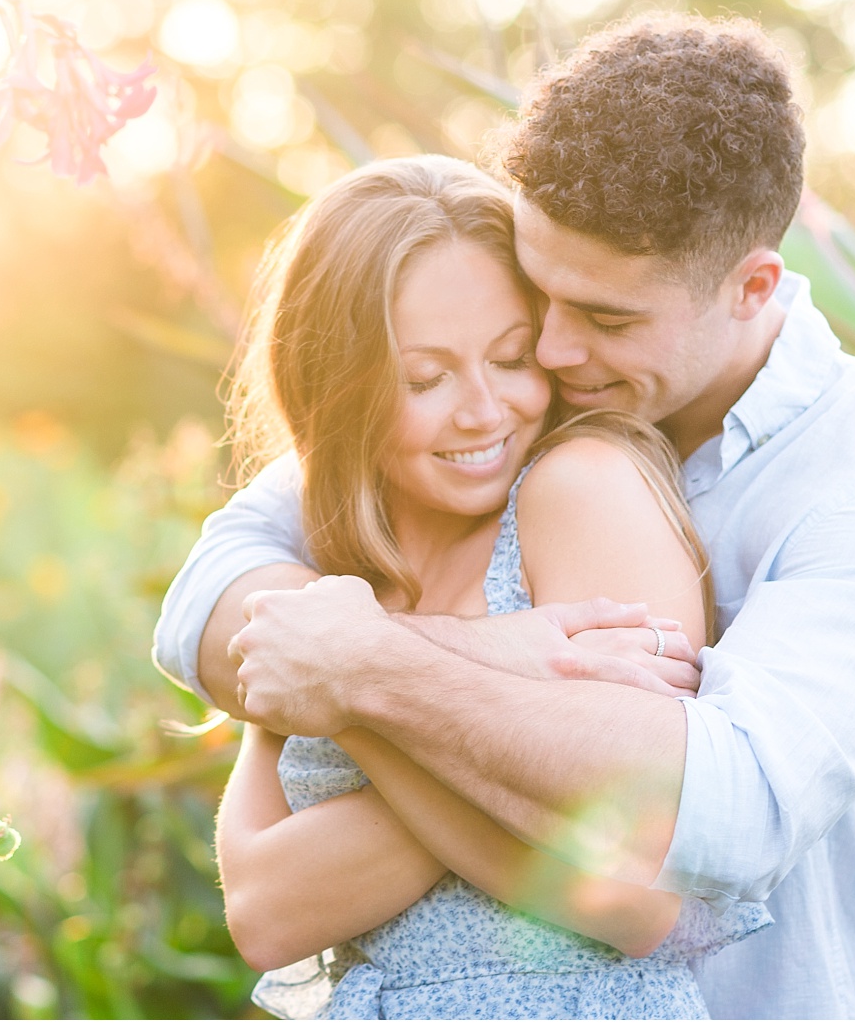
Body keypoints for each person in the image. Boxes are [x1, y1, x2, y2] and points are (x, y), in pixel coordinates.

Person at [154, 14, 855, 1019]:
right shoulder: (514, 403)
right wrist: (504, 652)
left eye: (605, 317)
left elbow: (720, 812)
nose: (546, 351)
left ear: (752, 285)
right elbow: (210, 597)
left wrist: (364, 666)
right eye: (538, 294)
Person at [210, 153, 769, 1018]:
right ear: (336, 388)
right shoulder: (330, 580)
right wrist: (491, 691)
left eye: (512, 358)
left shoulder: (580, 489)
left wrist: (358, 684)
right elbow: (265, 914)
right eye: (425, 379)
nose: (484, 410)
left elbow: (637, 892)